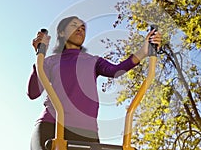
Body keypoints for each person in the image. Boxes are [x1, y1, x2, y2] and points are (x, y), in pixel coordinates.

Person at [27, 16, 162, 150]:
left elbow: (116, 70)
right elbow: (33, 92)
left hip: (86, 132)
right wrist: (40, 55)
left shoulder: (93, 61)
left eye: (83, 28)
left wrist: (144, 51)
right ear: (62, 33)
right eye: (74, 26)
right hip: (51, 125)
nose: (80, 29)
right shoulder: (51, 61)